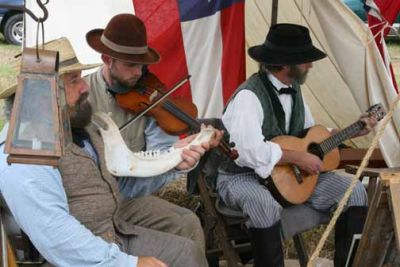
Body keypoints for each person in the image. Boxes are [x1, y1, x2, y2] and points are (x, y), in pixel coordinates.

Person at [0, 37, 218, 267]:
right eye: (74, 81)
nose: (85, 87)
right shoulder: (24, 151)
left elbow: (116, 185)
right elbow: (55, 232)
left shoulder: (78, 129)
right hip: (85, 247)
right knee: (185, 254)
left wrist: (173, 160)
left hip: (112, 225)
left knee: (186, 235)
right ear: (43, 93)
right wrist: (129, 263)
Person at [216, 24, 377, 267]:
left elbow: (311, 136)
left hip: (290, 176)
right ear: (285, 63)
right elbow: (248, 152)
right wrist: (297, 158)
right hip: (242, 175)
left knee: (354, 192)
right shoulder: (248, 97)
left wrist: (352, 130)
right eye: (305, 60)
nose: (310, 66)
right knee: (263, 205)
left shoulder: (295, 90)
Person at [84, 13, 217, 199]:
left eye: (143, 66)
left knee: (187, 221)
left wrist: (175, 160)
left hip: (133, 193)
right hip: (92, 193)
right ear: (107, 59)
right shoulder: (82, 95)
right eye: (131, 65)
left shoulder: (153, 103)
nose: (139, 73)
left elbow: (159, 168)